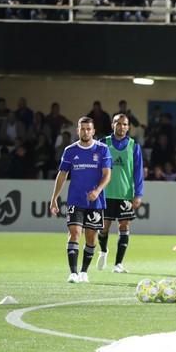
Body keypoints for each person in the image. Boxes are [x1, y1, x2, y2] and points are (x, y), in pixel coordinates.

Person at [50, 117, 112, 284]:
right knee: (75, 233)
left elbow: (107, 174)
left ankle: (84, 271)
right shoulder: (70, 151)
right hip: (75, 200)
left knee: (91, 238)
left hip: (95, 202)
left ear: (93, 131)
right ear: (78, 130)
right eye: (82, 129)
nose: (85, 132)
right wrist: (54, 198)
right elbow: (62, 175)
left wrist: (98, 190)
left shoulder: (103, 149)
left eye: (88, 129)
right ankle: (73, 273)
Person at [96, 114, 144, 274]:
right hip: (106, 193)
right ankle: (103, 251)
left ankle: (118, 264)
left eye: (124, 124)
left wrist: (138, 194)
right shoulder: (103, 144)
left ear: (128, 127)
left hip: (125, 194)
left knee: (124, 226)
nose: (121, 126)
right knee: (103, 227)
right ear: (112, 125)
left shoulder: (133, 146)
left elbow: (138, 172)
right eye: (118, 123)